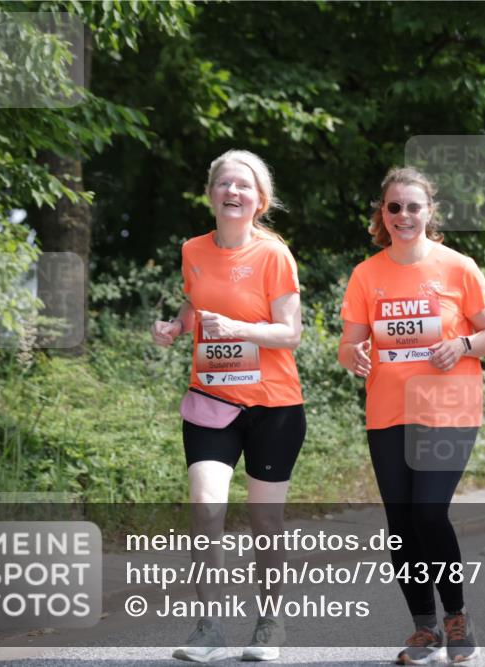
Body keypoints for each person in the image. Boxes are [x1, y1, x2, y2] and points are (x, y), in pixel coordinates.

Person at [339, 167, 485, 664]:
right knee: (400, 523)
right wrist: (354, 355)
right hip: (388, 413)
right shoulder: (367, 274)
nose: (404, 215)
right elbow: (348, 345)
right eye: (395, 207)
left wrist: (463, 344)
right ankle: (424, 629)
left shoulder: (458, 267)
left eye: (414, 206)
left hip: (449, 410)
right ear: (382, 214)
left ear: (429, 212)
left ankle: (456, 614)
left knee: (429, 513)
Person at [150, 149, 306, 663]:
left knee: (265, 520)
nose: (233, 192)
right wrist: (177, 326)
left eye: (244, 186)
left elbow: (291, 333)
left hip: (273, 407)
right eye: (224, 184)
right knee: (207, 509)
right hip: (211, 401)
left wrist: (239, 329)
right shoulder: (193, 249)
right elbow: (195, 302)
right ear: (211, 193)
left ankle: (269, 624)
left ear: (259, 201)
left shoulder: (274, 255)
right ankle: (210, 629)